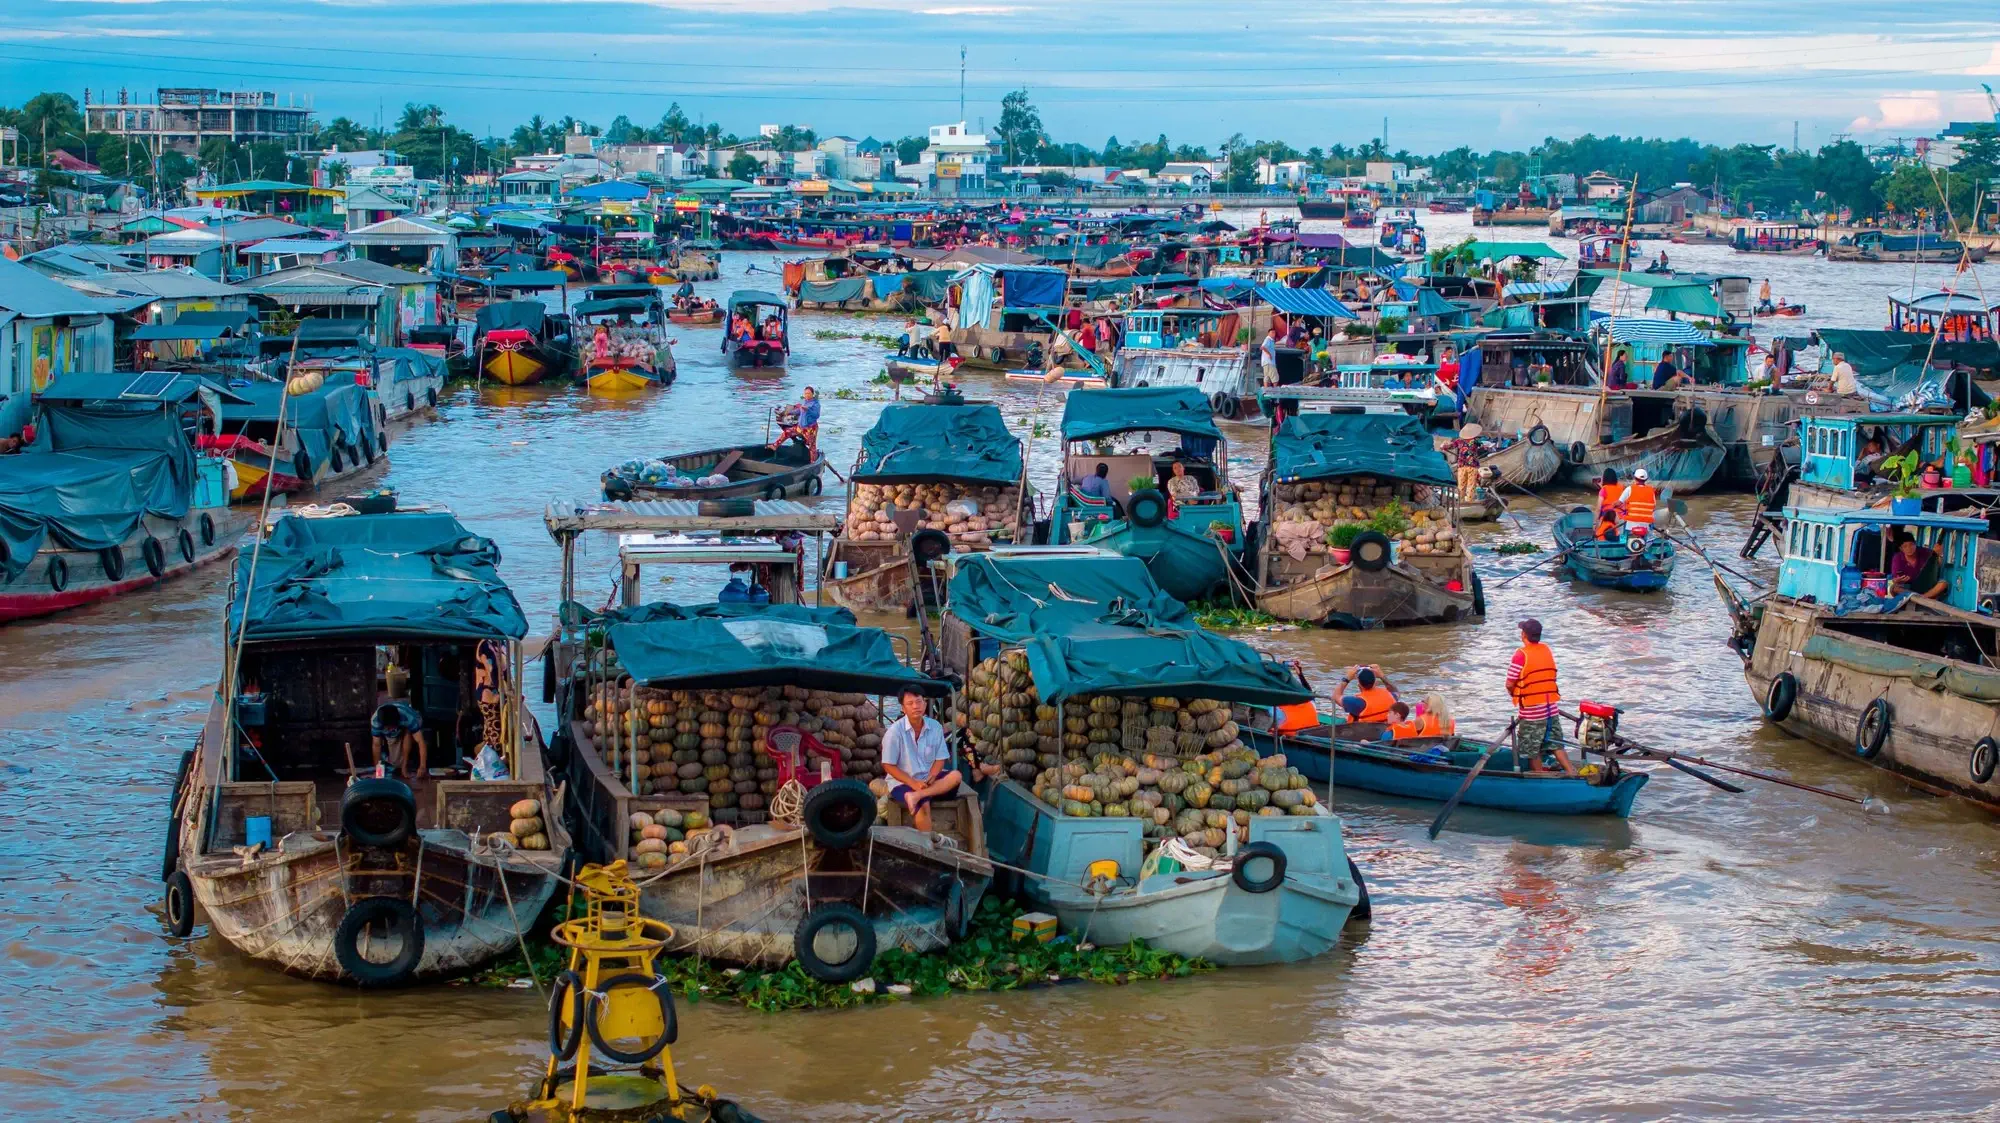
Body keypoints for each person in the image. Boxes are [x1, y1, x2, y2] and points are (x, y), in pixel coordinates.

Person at [881, 686, 960, 832]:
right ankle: (928, 846)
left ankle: (916, 796)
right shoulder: (894, 732)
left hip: (928, 782)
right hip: (903, 782)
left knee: (956, 775)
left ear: (925, 704)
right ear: (903, 708)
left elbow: (940, 758)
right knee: (923, 806)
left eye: (919, 702)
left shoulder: (935, 727)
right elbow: (888, 765)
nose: (916, 706)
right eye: (910, 703)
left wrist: (932, 776)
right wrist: (913, 783)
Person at [1507, 618, 1576, 775]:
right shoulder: (1546, 649)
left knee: (1533, 749)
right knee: (1556, 744)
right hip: (1551, 710)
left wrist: (1515, 694)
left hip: (1532, 713)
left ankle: (1540, 776)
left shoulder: (1520, 655)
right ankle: (1571, 771)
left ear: (1524, 635)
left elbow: (1510, 683)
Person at [370, 694, 430, 781]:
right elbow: (376, 745)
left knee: (408, 733)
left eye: (393, 727)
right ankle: (399, 764)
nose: (391, 729)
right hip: (393, 732)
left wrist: (422, 766)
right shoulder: (376, 721)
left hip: (413, 718)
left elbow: (421, 741)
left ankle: (404, 767)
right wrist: (378, 771)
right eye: (389, 728)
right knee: (394, 761)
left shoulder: (408, 717)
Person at [1887, 532, 1949, 599]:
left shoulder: (1926, 552)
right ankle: (1917, 598)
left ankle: (1920, 598)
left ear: (1915, 543)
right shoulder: (1897, 558)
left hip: (1927, 585)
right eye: (1905, 546)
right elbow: (1894, 580)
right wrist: (1897, 580)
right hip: (1909, 587)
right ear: (1901, 548)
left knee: (1943, 584)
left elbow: (1937, 564)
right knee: (1894, 588)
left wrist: (1939, 554)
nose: (1909, 548)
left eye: (1911, 545)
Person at [1446, 424, 1484, 498]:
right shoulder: (1463, 441)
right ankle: (1465, 500)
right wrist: (1445, 446)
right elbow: (1451, 446)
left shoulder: (1472, 441)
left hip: (1468, 465)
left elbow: (1451, 446)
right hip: (1467, 465)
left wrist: (1445, 446)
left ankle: (1465, 500)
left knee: (1466, 484)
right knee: (1467, 485)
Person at [1618, 468, 1658, 538]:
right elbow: (1654, 507)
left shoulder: (1629, 489)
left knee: (1625, 535)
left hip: (1631, 525)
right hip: (1646, 525)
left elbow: (1619, 503)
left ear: (1635, 478)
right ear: (1646, 479)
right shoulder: (1651, 491)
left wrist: (1612, 506)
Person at [1594, 468, 1623, 540]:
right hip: (1620, 516)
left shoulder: (1604, 489)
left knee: (1598, 534)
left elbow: (1598, 509)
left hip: (1607, 516)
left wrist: (1594, 523)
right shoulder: (1621, 487)